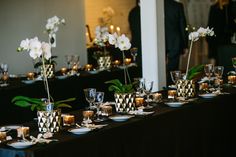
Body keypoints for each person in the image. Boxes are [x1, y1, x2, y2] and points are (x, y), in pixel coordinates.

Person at [164, 0, 188, 85]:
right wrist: (185, 45)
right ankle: (171, 91)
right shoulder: (177, 6)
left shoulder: (154, 5)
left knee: (159, 69)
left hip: (158, 41)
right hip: (174, 42)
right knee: (173, 71)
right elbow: (182, 25)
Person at [206, 0, 235, 65]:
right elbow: (210, 24)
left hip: (226, 39)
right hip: (220, 39)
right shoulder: (215, 7)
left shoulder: (232, 6)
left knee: (225, 60)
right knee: (219, 59)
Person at [128, 0, 142, 74]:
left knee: (138, 67)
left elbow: (131, 28)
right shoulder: (144, 11)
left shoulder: (132, 12)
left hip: (135, 42)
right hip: (141, 43)